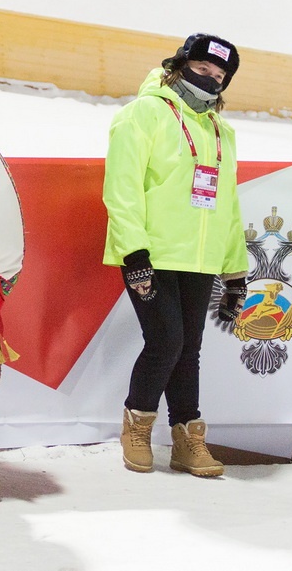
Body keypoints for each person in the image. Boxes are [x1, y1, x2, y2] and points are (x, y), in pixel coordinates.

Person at [102, 33, 248, 478]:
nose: (209, 80)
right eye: (202, 69)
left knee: (190, 349)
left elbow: (228, 205)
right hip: (151, 255)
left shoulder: (222, 131)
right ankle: (136, 424)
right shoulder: (142, 115)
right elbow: (122, 190)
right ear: (179, 64)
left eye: (219, 76)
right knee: (166, 341)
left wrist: (235, 270)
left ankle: (186, 439)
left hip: (200, 258)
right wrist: (134, 254)